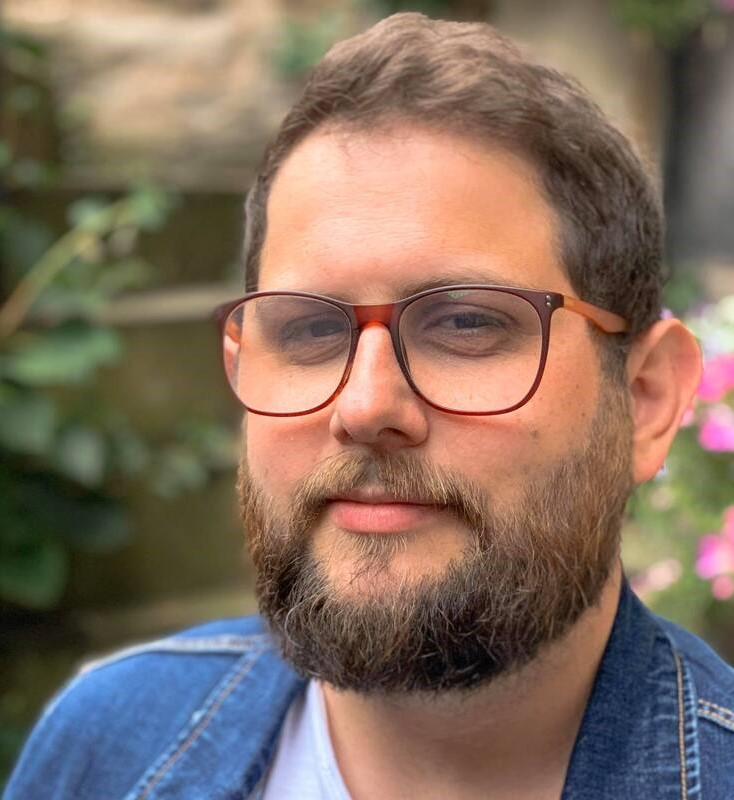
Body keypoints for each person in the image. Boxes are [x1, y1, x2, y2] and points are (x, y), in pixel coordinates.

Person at [6, 12, 734, 800]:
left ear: (648, 399)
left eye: (465, 323)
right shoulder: (107, 746)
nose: (364, 405)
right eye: (310, 329)